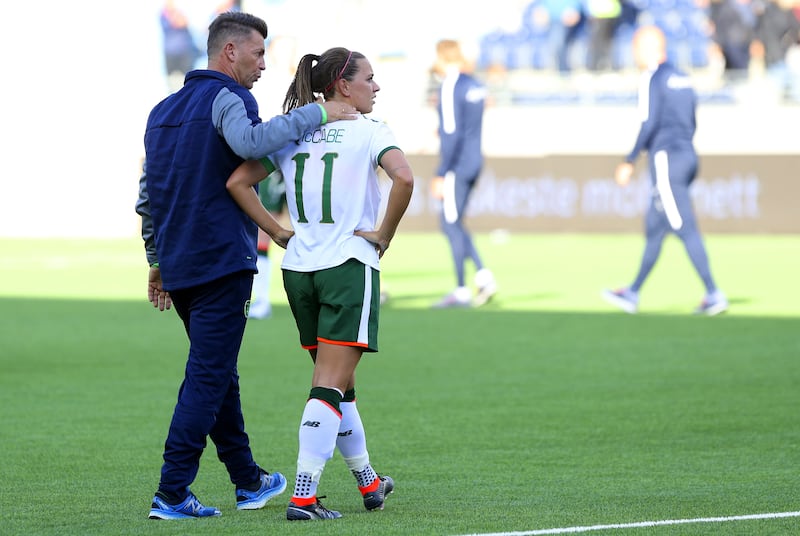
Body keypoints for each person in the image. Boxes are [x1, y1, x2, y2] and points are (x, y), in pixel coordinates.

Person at [136, 11, 357, 520]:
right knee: (207, 375)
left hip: (180, 262)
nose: (263, 64)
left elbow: (148, 197)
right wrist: (318, 113)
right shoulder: (227, 98)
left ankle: (249, 481)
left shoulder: (161, 110)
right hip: (219, 262)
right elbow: (252, 144)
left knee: (218, 374)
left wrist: (155, 259)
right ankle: (171, 492)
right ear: (229, 51)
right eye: (258, 53)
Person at [226, 46, 414, 521]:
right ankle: (303, 497)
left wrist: (277, 231)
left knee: (340, 383)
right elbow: (405, 179)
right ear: (341, 86)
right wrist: (384, 235)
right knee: (328, 385)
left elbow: (237, 183)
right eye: (369, 78)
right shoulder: (371, 132)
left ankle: (370, 482)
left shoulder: (298, 131)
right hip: (348, 266)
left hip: (300, 272)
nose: (376, 86)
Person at [602, 25, 728, 316]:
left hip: (666, 160)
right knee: (655, 229)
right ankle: (632, 292)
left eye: (636, 48)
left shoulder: (652, 77)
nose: (633, 55)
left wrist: (629, 160)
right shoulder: (682, 77)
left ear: (647, 48)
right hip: (687, 155)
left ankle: (713, 293)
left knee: (685, 227)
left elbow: (648, 122)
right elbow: (693, 119)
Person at [429, 39, 497, 309]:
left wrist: (441, 172)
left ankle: (461, 289)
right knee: (455, 222)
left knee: (450, 223)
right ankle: (483, 275)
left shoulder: (450, 85)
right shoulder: (474, 84)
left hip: (457, 165)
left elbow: (452, 132)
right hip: (474, 159)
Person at [247, 169, 286, 319]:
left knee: (261, 241)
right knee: (259, 242)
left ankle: (262, 301)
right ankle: (261, 301)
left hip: (270, 171)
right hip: (268, 169)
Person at [160, 0, 201, 93]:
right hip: (172, 54)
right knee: (171, 85)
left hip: (185, 53)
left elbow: (184, 22)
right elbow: (178, 21)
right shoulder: (164, 14)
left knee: (187, 85)